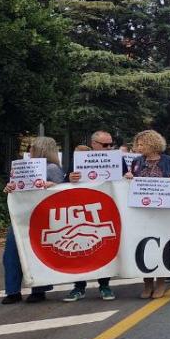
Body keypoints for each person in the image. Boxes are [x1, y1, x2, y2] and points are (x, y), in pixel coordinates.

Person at [1, 136, 66, 304]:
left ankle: (39, 290)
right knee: (11, 255)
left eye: (31, 147)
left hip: (41, 216)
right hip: (21, 215)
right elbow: (17, 188)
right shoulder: (23, 167)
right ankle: (12, 291)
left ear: (41, 149)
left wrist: (52, 186)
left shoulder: (52, 168)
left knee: (37, 253)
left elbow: (62, 193)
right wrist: (10, 187)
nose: (28, 150)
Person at [63, 129, 119, 302]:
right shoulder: (79, 160)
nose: (109, 147)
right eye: (105, 145)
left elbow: (125, 179)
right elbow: (65, 181)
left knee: (105, 246)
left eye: (111, 144)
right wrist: (69, 177)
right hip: (83, 209)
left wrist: (128, 176)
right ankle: (79, 287)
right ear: (94, 144)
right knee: (81, 248)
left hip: (107, 208)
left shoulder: (118, 159)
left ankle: (105, 286)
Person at [121, 129, 170, 299]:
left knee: (160, 246)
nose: (138, 147)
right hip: (142, 212)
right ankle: (147, 284)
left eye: (141, 144)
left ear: (151, 144)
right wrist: (129, 177)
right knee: (143, 246)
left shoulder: (169, 161)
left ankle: (160, 283)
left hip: (163, 212)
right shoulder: (137, 161)